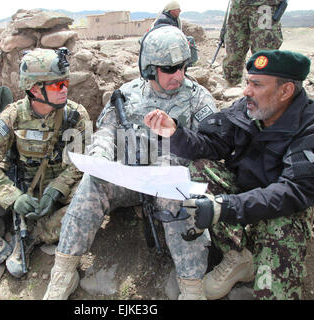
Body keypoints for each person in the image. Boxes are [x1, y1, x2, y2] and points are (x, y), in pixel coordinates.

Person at [144, 50, 314, 299]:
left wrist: (225, 206)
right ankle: (238, 255)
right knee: (200, 168)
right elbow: (212, 144)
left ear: (286, 91)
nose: (246, 91)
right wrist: (175, 134)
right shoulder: (248, 108)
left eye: (257, 84)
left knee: (282, 225)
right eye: (248, 82)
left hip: (285, 209)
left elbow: (294, 192)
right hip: (245, 195)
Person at [43, 26, 218, 300]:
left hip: (172, 186)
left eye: (183, 67)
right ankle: (64, 270)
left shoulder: (199, 99)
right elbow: (106, 132)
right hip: (131, 179)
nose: (179, 75)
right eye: (169, 69)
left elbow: (210, 147)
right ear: (149, 69)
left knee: (178, 197)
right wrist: (100, 156)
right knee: (92, 182)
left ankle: (192, 287)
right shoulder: (127, 93)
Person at [0, 48, 90, 290]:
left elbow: (81, 164)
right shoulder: (13, 116)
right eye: (55, 85)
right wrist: (13, 197)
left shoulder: (76, 115)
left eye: (64, 82)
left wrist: (56, 191)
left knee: (90, 195)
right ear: (33, 88)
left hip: (58, 186)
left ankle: (39, 231)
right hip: (21, 183)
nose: (64, 89)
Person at [223, 0, 284, 86]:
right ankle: (232, 87)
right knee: (234, 50)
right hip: (239, 5)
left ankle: (262, 87)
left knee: (264, 52)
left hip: (264, 5)